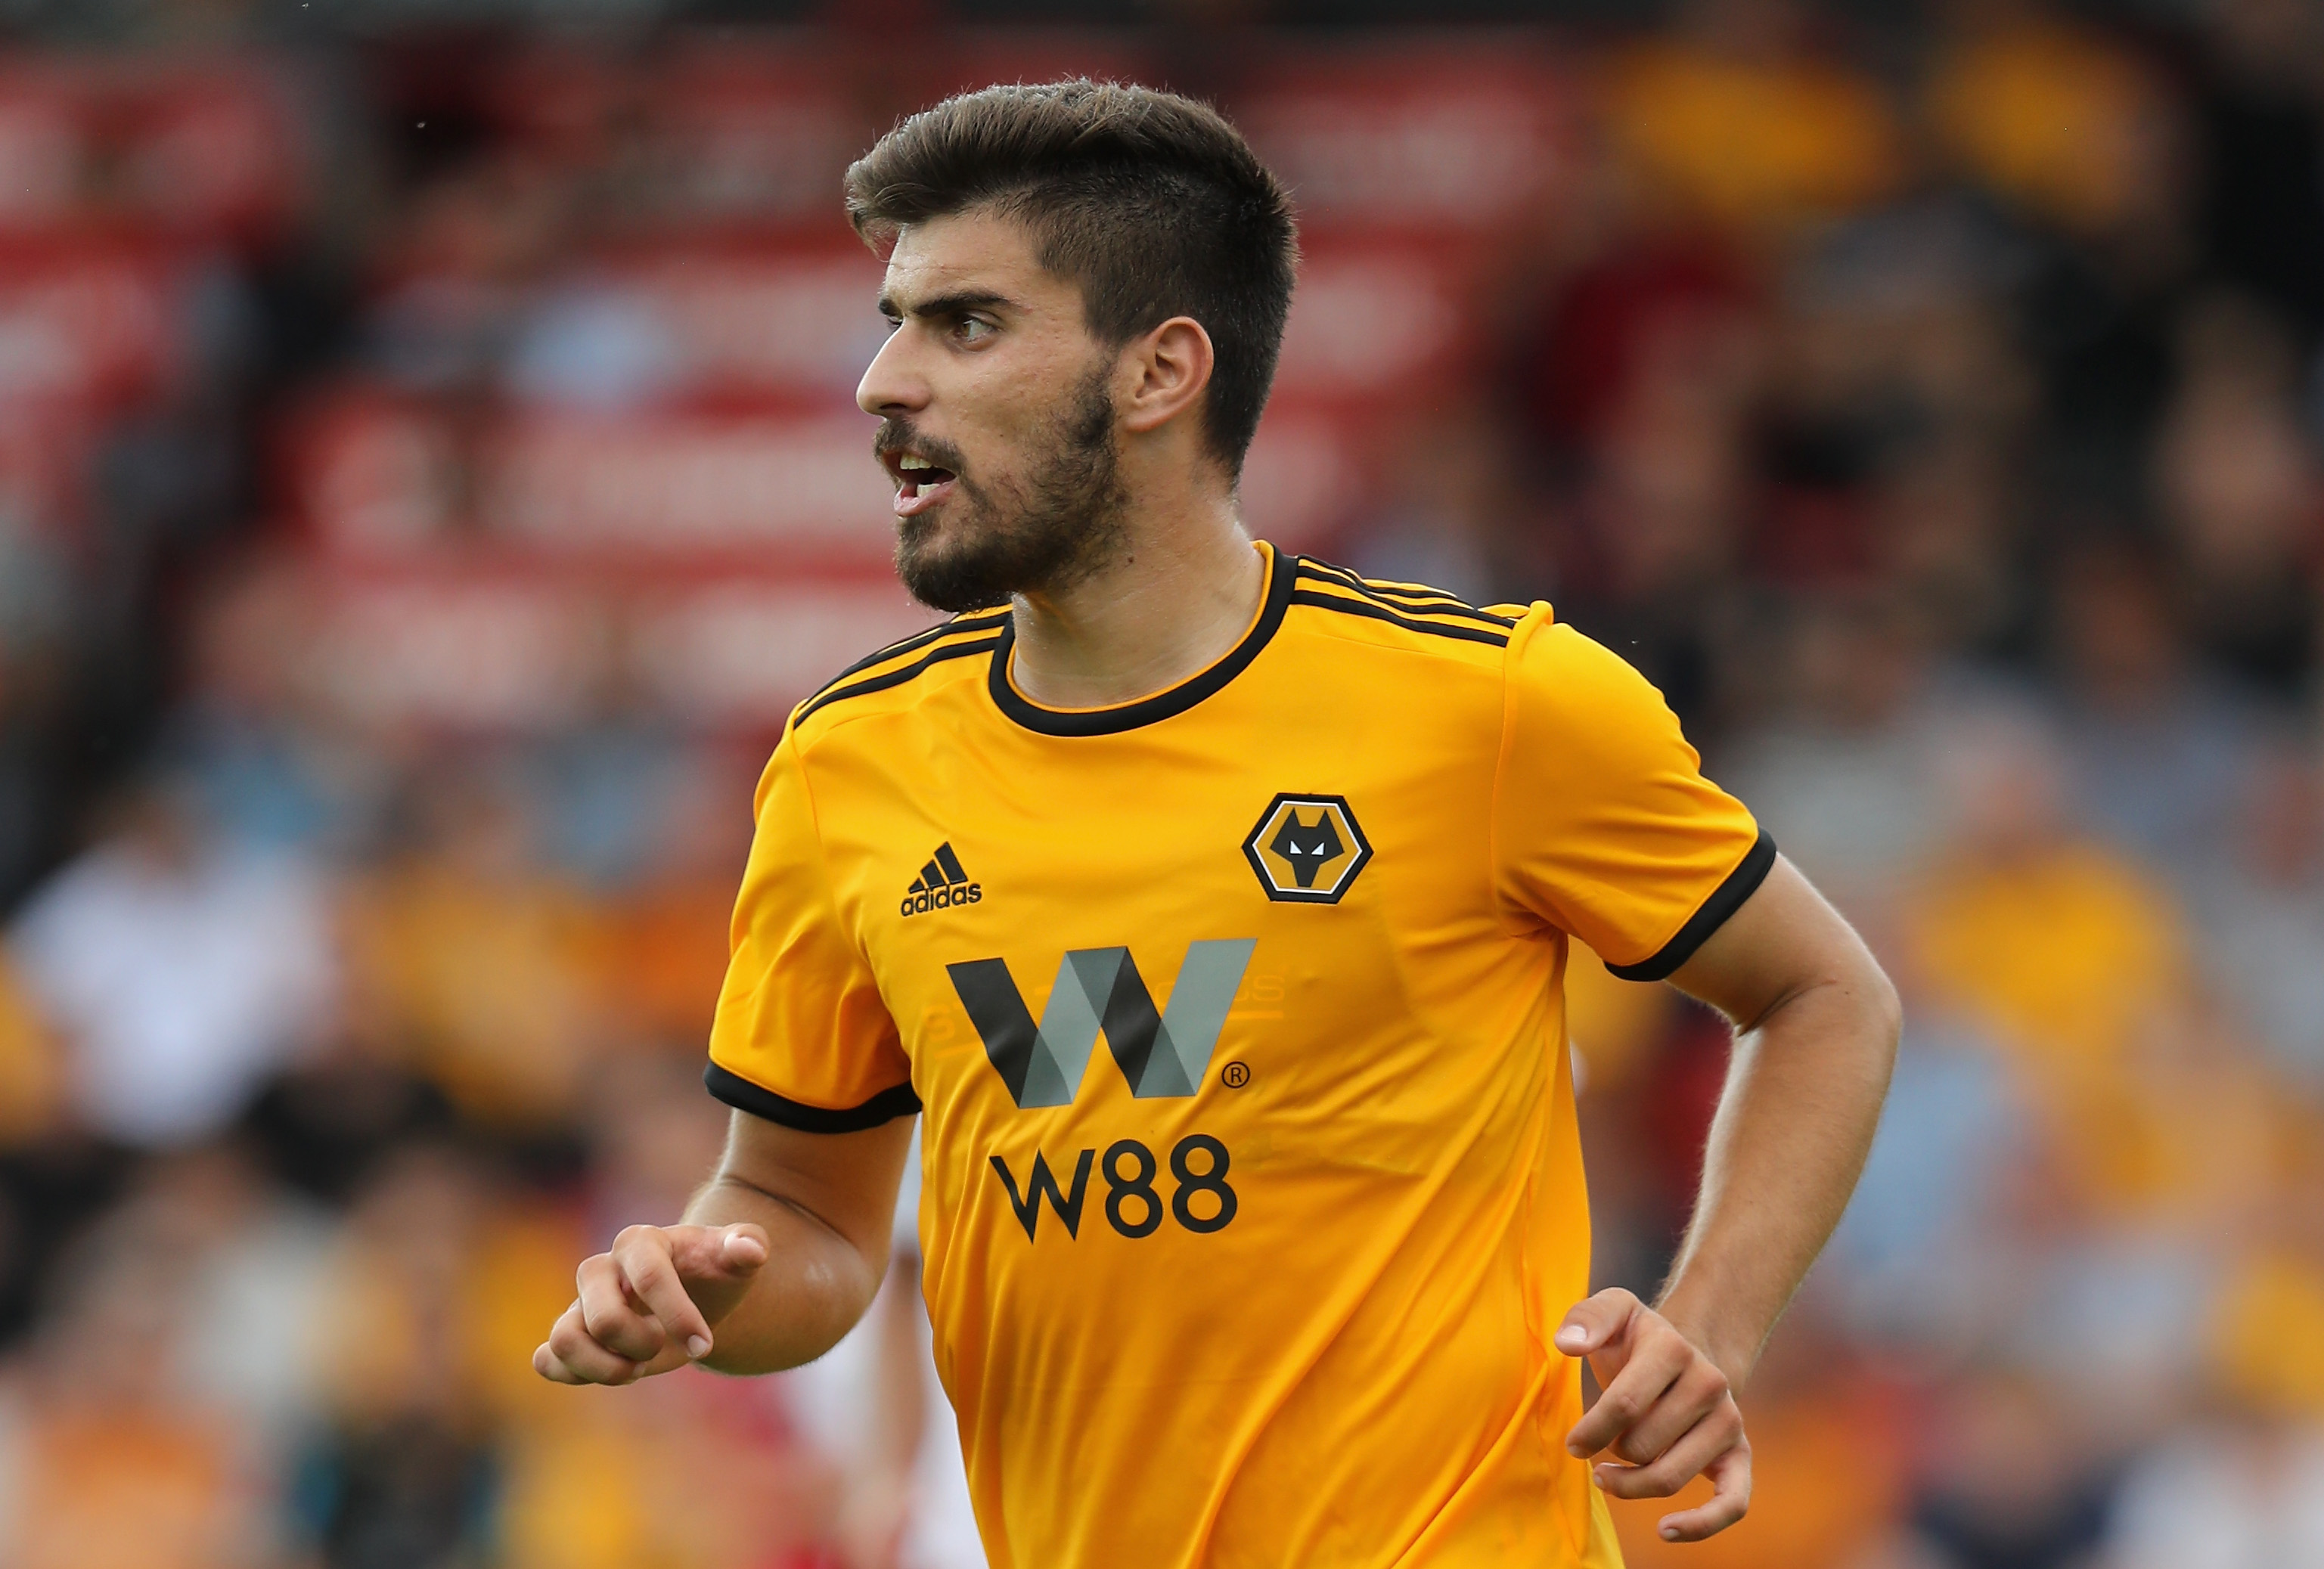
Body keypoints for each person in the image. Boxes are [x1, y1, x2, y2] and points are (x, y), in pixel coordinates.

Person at [533, 80, 1900, 1567]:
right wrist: (701, 1289)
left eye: (964, 324)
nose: (883, 381)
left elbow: (1825, 992)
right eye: (893, 318)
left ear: (1160, 371)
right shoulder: (845, 765)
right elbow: (809, 1220)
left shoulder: (1495, 708)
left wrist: (1711, 1324)